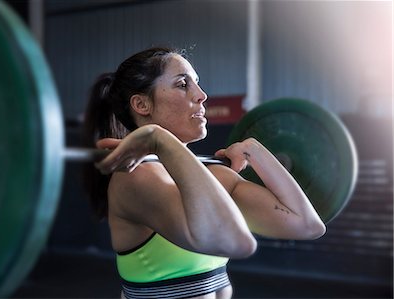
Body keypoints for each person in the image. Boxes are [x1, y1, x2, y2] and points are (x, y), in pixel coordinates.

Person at [82, 47, 326, 299]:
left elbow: (307, 225)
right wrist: (161, 140)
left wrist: (254, 150)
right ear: (142, 104)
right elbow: (238, 243)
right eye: (182, 84)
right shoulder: (137, 177)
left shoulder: (215, 176)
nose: (201, 95)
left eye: (197, 83)